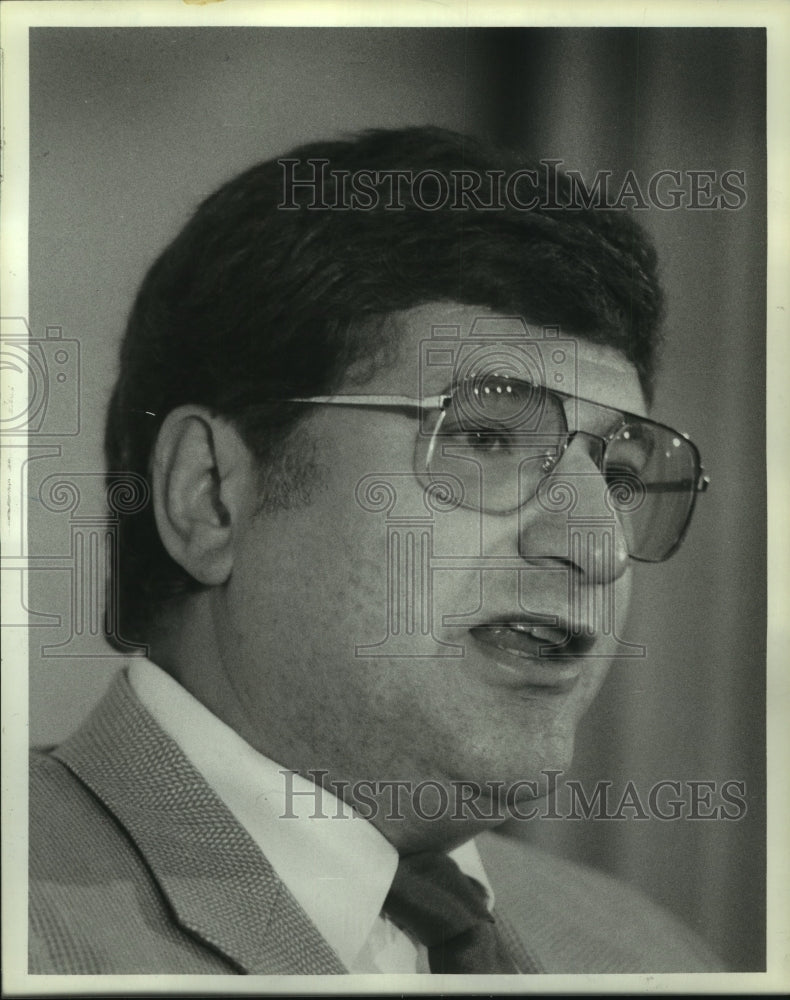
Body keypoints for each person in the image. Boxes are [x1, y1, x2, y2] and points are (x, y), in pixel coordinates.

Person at [29, 126, 719, 975]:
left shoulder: (651, 956)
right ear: (209, 496)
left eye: (616, 474)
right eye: (487, 437)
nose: (597, 546)